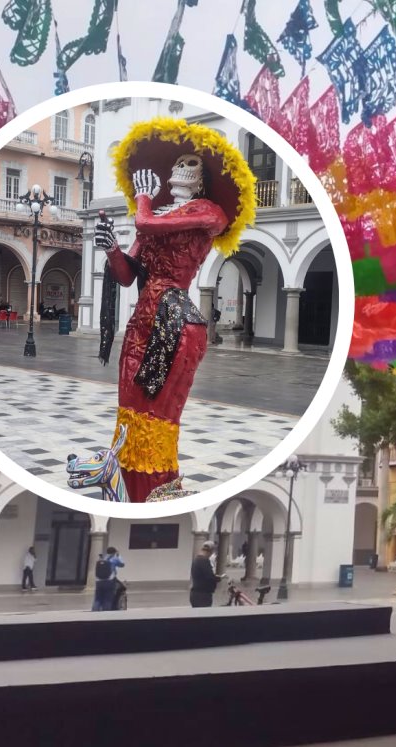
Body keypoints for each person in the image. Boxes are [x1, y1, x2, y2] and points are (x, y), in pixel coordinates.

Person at [94, 119, 255, 503]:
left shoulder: (209, 213)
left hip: (173, 320)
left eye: (191, 164)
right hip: (141, 322)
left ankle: (154, 489)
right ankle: (128, 486)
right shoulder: (159, 216)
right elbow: (126, 276)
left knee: (156, 415)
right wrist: (112, 248)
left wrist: (143, 201)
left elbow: (146, 222)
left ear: (201, 180)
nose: (181, 168)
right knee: (130, 408)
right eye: (178, 162)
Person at [92, 547, 126, 612]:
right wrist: (119, 556)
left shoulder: (101, 559)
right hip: (109, 581)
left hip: (98, 581)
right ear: (114, 553)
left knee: (97, 598)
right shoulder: (114, 559)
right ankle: (106, 613)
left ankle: (95, 611)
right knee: (108, 598)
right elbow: (122, 564)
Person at [191, 540, 220, 607]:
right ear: (210, 551)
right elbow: (209, 577)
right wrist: (218, 578)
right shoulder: (204, 561)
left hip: (195, 593)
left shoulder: (197, 559)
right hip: (202, 595)